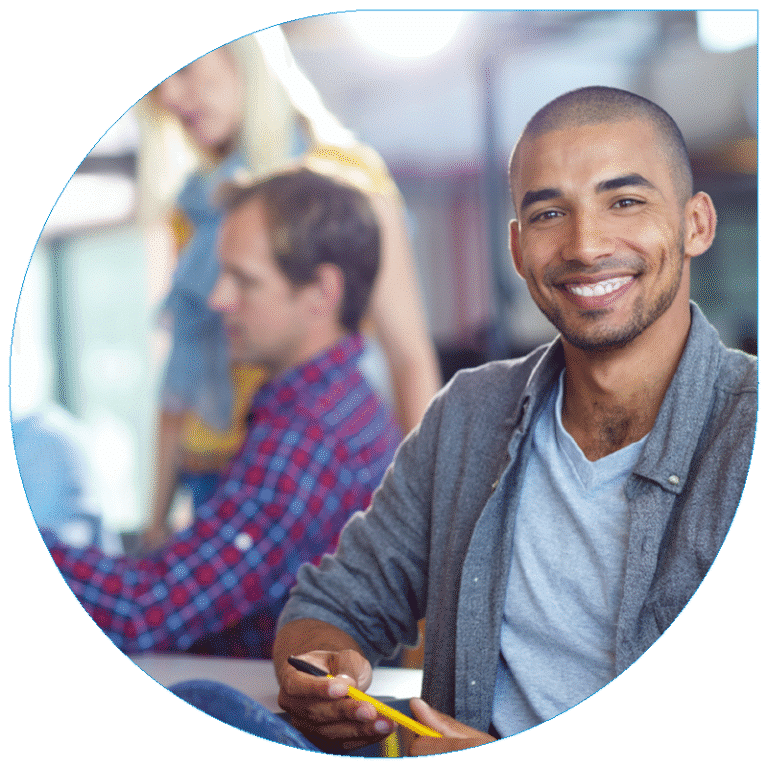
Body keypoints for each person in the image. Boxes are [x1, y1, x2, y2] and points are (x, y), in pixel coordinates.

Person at [247, 86, 755, 755]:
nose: (585, 244)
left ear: (696, 224)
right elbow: (332, 605)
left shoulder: (745, 432)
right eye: (549, 214)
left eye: (624, 201)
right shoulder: (467, 417)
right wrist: (321, 676)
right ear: (518, 249)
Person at [44, 167, 402, 656]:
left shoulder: (308, 438)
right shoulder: (344, 403)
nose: (217, 299)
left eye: (244, 280)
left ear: (323, 292)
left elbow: (142, 611)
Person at [136, 30, 440, 551]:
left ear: (245, 52)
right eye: (157, 83)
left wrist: (427, 520)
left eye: (184, 69)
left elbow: (408, 356)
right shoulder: (191, 206)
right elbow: (178, 380)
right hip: (212, 480)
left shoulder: (347, 180)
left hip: (309, 472)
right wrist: (155, 521)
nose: (168, 96)